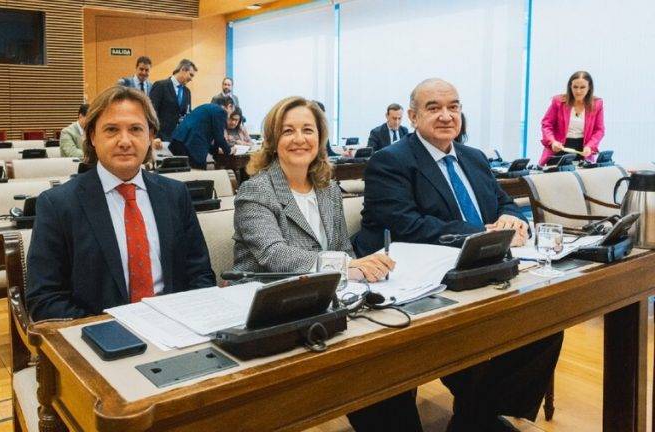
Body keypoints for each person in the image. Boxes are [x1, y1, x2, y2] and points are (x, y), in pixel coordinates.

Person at [355, 78, 563, 432]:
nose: (446, 116)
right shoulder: (389, 161)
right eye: (434, 108)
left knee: (544, 326)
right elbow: (407, 224)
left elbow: (503, 202)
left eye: (454, 107)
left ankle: (475, 420)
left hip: (488, 270)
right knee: (470, 344)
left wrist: (513, 217)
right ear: (413, 116)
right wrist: (481, 233)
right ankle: (479, 417)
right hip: (429, 282)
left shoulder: (474, 157)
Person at [232, 96, 420, 432]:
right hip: (271, 311)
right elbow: (275, 255)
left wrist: (367, 269)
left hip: (327, 305)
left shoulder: (328, 189)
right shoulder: (255, 191)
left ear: (320, 138)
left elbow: (342, 248)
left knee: (392, 360)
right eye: (288, 131)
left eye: (308, 130)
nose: (299, 138)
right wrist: (348, 266)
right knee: (366, 369)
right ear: (274, 140)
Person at [26, 86, 216, 321]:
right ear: (92, 136)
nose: (124, 141)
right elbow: (44, 299)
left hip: (177, 326)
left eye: (136, 129)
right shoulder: (57, 205)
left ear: (150, 136)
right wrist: (108, 328)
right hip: (101, 335)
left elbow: (200, 274)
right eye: (112, 130)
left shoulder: (175, 194)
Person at [540, 70, 604, 165]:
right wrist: (552, 141)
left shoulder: (597, 104)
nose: (578, 91)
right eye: (575, 87)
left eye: (582, 87)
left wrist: (590, 147)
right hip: (559, 148)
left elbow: (599, 130)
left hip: (583, 150)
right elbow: (546, 124)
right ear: (570, 86)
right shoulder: (558, 102)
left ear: (589, 87)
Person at [169, 96, 235, 170]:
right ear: (229, 106)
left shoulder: (208, 107)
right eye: (231, 113)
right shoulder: (221, 112)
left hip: (178, 140)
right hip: (191, 145)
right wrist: (229, 150)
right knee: (199, 175)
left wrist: (216, 150)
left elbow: (205, 135)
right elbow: (219, 137)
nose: (229, 116)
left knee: (183, 174)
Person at [149, 58, 197, 142]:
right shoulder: (160, 86)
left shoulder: (187, 92)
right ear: (183, 69)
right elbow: (152, 112)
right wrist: (154, 136)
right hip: (159, 138)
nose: (191, 79)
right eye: (191, 75)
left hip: (178, 140)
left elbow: (186, 113)